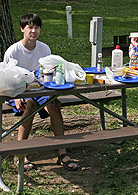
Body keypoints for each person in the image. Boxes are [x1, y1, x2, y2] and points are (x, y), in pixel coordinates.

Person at [3, 13, 78, 171]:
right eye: (30, 27)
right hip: (16, 91)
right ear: (22, 29)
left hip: (40, 88)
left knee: (53, 105)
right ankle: (20, 154)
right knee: (29, 105)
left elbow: (48, 74)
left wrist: (51, 93)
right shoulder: (13, 51)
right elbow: (6, 79)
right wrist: (15, 97)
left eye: (37, 27)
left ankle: (62, 152)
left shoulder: (44, 48)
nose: (33, 31)